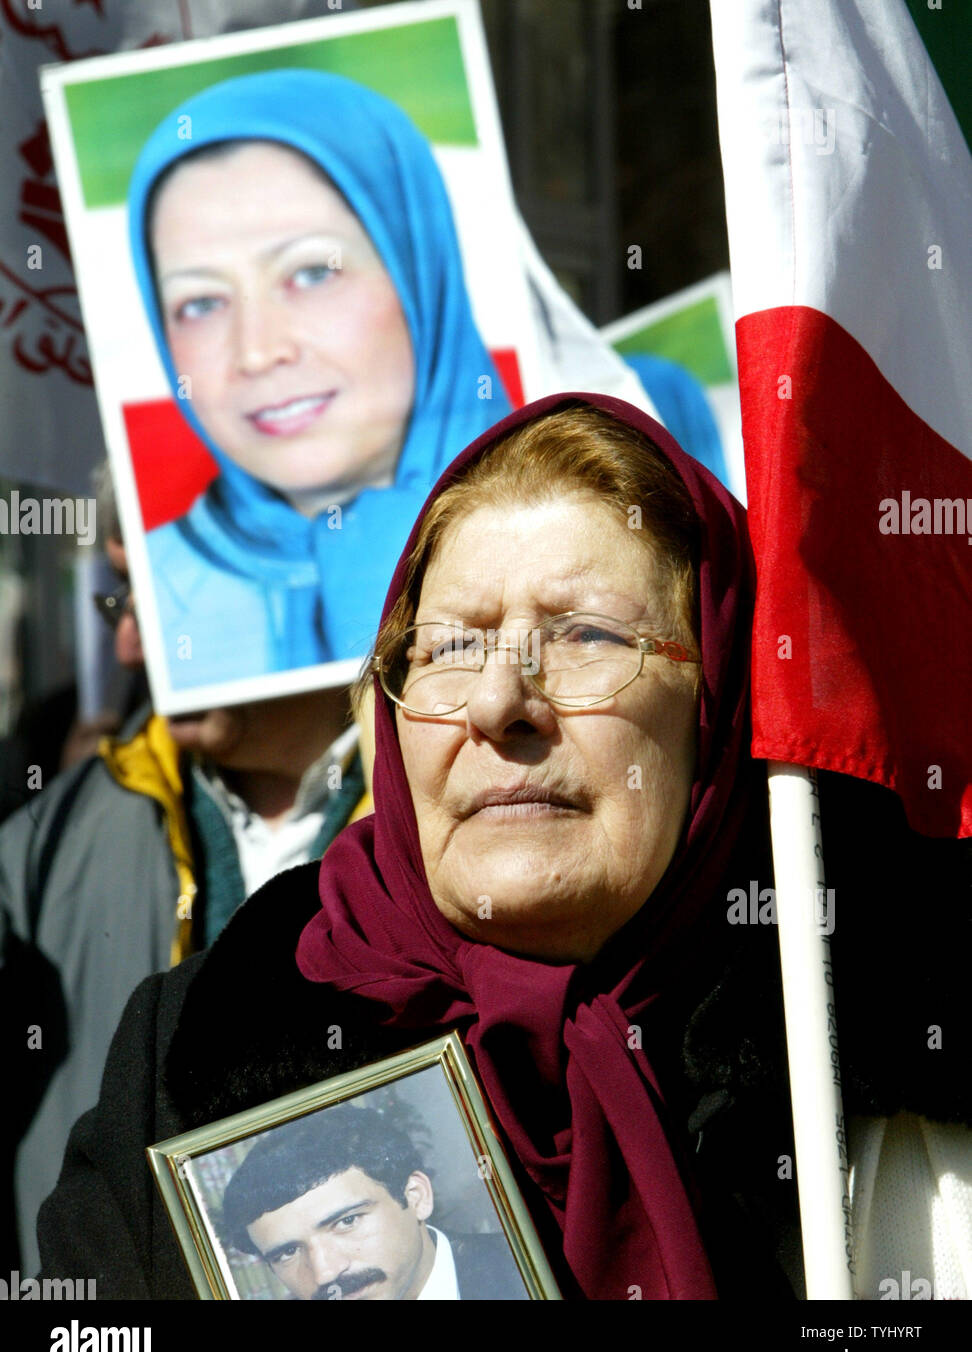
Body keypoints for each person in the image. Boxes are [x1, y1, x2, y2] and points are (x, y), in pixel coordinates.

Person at [37, 394, 806, 1300]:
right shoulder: (196, 1049)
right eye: (448, 649)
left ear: (716, 704)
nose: (498, 704)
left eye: (587, 636)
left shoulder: (851, 1055)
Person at [1, 506, 370, 1275]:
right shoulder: (34, 854)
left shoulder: (475, 826)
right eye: (117, 598)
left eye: (156, 588)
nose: (128, 644)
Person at [126, 69, 511, 689]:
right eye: (200, 303)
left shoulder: (561, 534)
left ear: (418, 275)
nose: (258, 351)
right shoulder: (160, 594)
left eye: (310, 273)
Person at [219, 1106, 527, 1301]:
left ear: (416, 1197)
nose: (325, 1273)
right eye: (287, 1252)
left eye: (346, 1222)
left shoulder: (531, 1269)